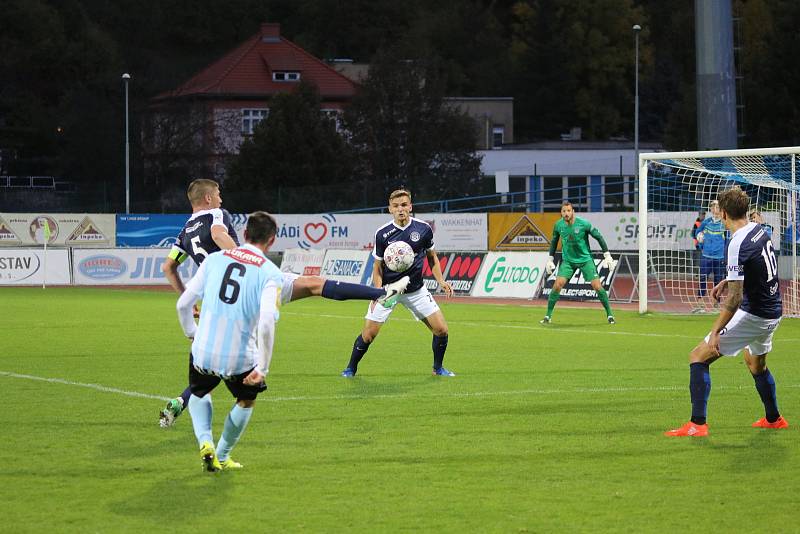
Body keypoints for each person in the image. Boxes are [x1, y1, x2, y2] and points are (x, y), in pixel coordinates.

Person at [159, 179, 409, 427]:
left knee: (216, 359)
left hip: (221, 298)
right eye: (219, 194)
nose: (221, 199)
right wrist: (242, 260)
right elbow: (218, 233)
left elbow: (168, 267)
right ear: (208, 199)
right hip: (251, 282)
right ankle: (381, 293)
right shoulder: (216, 214)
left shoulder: (184, 232)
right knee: (314, 285)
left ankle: (180, 402)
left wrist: (187, 299)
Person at [665, 187, 788, 437]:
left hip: (755, 313)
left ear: (722, 213)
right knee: (756, 364)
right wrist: (726, 280)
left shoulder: (736, 242)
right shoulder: (757, 229)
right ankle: (774, 419)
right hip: (774, 311)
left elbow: (734, 299)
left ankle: (697, 425)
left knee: (699, 355)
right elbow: (757, 270)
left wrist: (715, 330)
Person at [175, 211, 281, 471]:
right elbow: (267, 321)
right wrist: (263, 369)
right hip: (239, 358)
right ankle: (222, 455)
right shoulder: (270, 272)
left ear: (244, 234)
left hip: (202, 352)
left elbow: (183, 303)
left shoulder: (214, 260)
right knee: (246, 400)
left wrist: (192, 332)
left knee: (199, 391)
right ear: (272, 241)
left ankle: (205, 441)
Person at [340, 189, 455, 377]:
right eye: (396, 206)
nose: (400, 209)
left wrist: (441, 280)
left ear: (410, 207)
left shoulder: (423, 229)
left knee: (441, 329)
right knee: (368, 334)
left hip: (416, 290)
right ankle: (350, 368)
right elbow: (377, 267)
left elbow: (432, 257)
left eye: (404, 205)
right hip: (389, 290)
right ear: (390, 209)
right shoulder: (382, 234)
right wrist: (376, 293)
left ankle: (438, 368)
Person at [541, 201, 617, 325]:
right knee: (557, 285)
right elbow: (554, 242)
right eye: (564, 211)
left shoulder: (583, 224)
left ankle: (609, 314)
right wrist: (550, 259)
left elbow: (598, 236)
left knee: (597, 287)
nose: (566, 213)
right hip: (568, 261)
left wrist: (607, 255)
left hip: (585, 260)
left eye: (568, 211)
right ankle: (547, 316)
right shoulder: (558, 225)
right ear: (561, 213)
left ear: (573, 212)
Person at [695, 201, 727, 297]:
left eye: (717, 207)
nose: (714, 209)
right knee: (702, 278)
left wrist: (725, 254)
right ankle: (700, 301)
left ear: (721, 209)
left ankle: (716, 301)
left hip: (720, 257)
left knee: (718, 280)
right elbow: (697, 233)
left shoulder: (724, 223)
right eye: (712, 207)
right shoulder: (706, 222)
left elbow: (728, 239)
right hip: (706, 256)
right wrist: (701, 242)